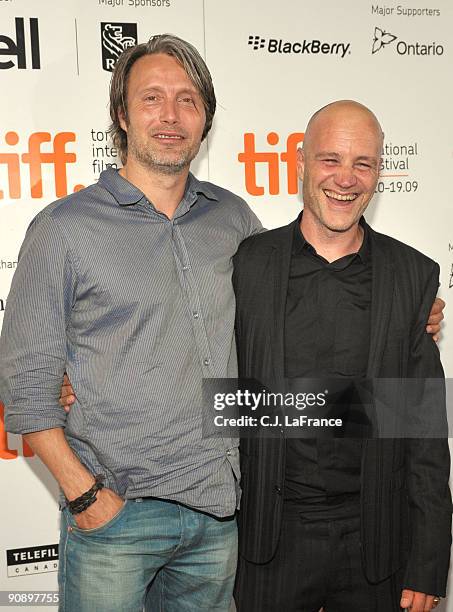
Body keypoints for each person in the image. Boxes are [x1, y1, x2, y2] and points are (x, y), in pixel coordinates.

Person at [0, 34, 262, 612]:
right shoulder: (63, 228)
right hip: (116, 519)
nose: (170, 115)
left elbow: (298, 307)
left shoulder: (235, 219)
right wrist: (87, 496)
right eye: (152, 98)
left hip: (219, 517)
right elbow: (24, 389)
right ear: (121, 113)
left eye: (187, 100)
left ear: (205, 118)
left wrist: (403, 307)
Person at [232, 100, 451, 612]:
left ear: (379, 172)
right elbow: (200, 373)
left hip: (377, 542)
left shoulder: (412, 276)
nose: (345, 179)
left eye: (363, 164)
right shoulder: (246, 266)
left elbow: (423, 433)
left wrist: (428, 558)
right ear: (301, 162)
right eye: (331, 160)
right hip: (267, 540)